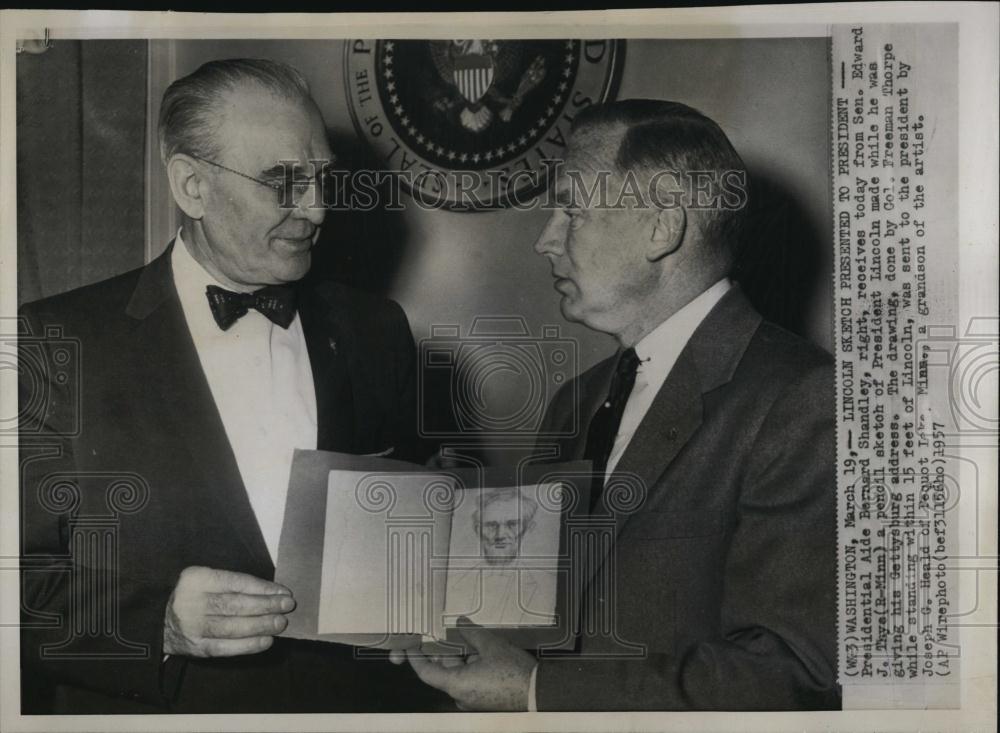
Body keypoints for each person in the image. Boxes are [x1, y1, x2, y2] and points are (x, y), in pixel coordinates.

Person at [19, 58, 443, 713]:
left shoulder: (376, 330)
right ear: (191, 185)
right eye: (285, 181)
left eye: (322, 178)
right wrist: (155, 623)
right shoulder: (54, 344)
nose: (317, 208)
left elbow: (406, 545)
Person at [394, 99, 840, 711]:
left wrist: (533, 691)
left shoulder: (806, 400)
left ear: (663, 228)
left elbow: (792, 676)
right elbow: (540, 613)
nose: (544, 240)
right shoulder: (577, 399)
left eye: (571, 210)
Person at [444, 489, 554, 627]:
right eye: (491, 525)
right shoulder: (451, 585)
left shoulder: (548, 585)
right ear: (478, 530)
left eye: (512, 524)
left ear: (528, 528)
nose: (500, 534)